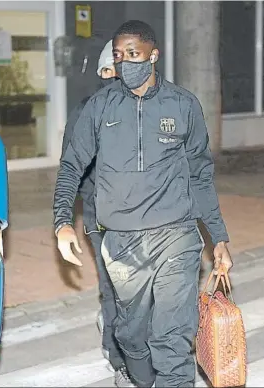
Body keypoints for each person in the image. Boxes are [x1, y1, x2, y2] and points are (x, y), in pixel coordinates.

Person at [53, 20, 233, 388]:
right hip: (121, 242)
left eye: (132, 54)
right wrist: (62, 222)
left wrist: (219, 238)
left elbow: (200, 174)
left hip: (176, 237)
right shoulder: (100, 106)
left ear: (153, 55)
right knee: (133, 338)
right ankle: (138, 374)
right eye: (119, 56)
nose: (125, 63)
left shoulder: (183, 105)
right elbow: (71, 165)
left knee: (171, 340)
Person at [60, 40, 133, 388]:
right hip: (102, 216)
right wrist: (63, 221)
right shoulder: (88, 112)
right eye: (114, 71)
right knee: (116, 286)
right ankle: (119, 358)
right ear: (105, 72)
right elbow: (70, 169)